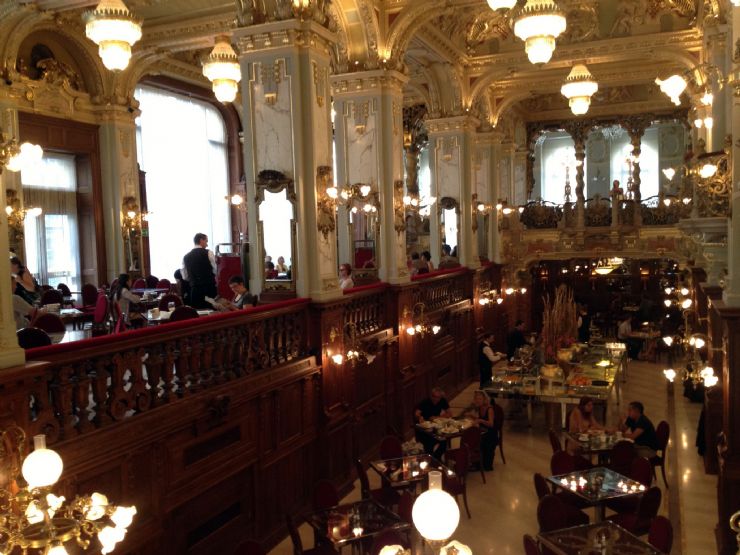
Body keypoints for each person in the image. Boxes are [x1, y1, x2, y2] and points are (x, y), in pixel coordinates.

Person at [414, 387, 452, 459]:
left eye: (438, 397)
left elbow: (450, 414)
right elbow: (416, 413)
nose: (436, 399)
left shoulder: (442, 400)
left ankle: (436, 459)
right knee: (429, 444)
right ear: (431, 396)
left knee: (444, 442)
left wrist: (437, 417)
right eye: (434, 397)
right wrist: (419, 417)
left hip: (436, 429)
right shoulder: (425, 402)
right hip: (425, 430)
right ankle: (430, 460)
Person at [182, 233, 217, 309]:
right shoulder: (208, 253)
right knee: (213, 314)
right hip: (209, 288)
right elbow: (216, 269)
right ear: (201, 240)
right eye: (206, 241)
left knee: (198, 314)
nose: (207, 245)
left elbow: (185, 277)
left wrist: (194, 280)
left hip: (195, 290)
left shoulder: (185, 257)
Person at [471, 390, 497, 471]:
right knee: (471, 438)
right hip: (483, 432)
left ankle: (478, 463)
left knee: (487, 467)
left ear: (485, 399)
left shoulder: (489, 409)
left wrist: (480, 421)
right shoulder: (480, 407)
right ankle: (475, 461)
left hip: (490, 435)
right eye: (476, 399)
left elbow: (491, 424)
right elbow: (481, 419)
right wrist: (473, 417)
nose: (477, 400)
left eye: (480, 399)